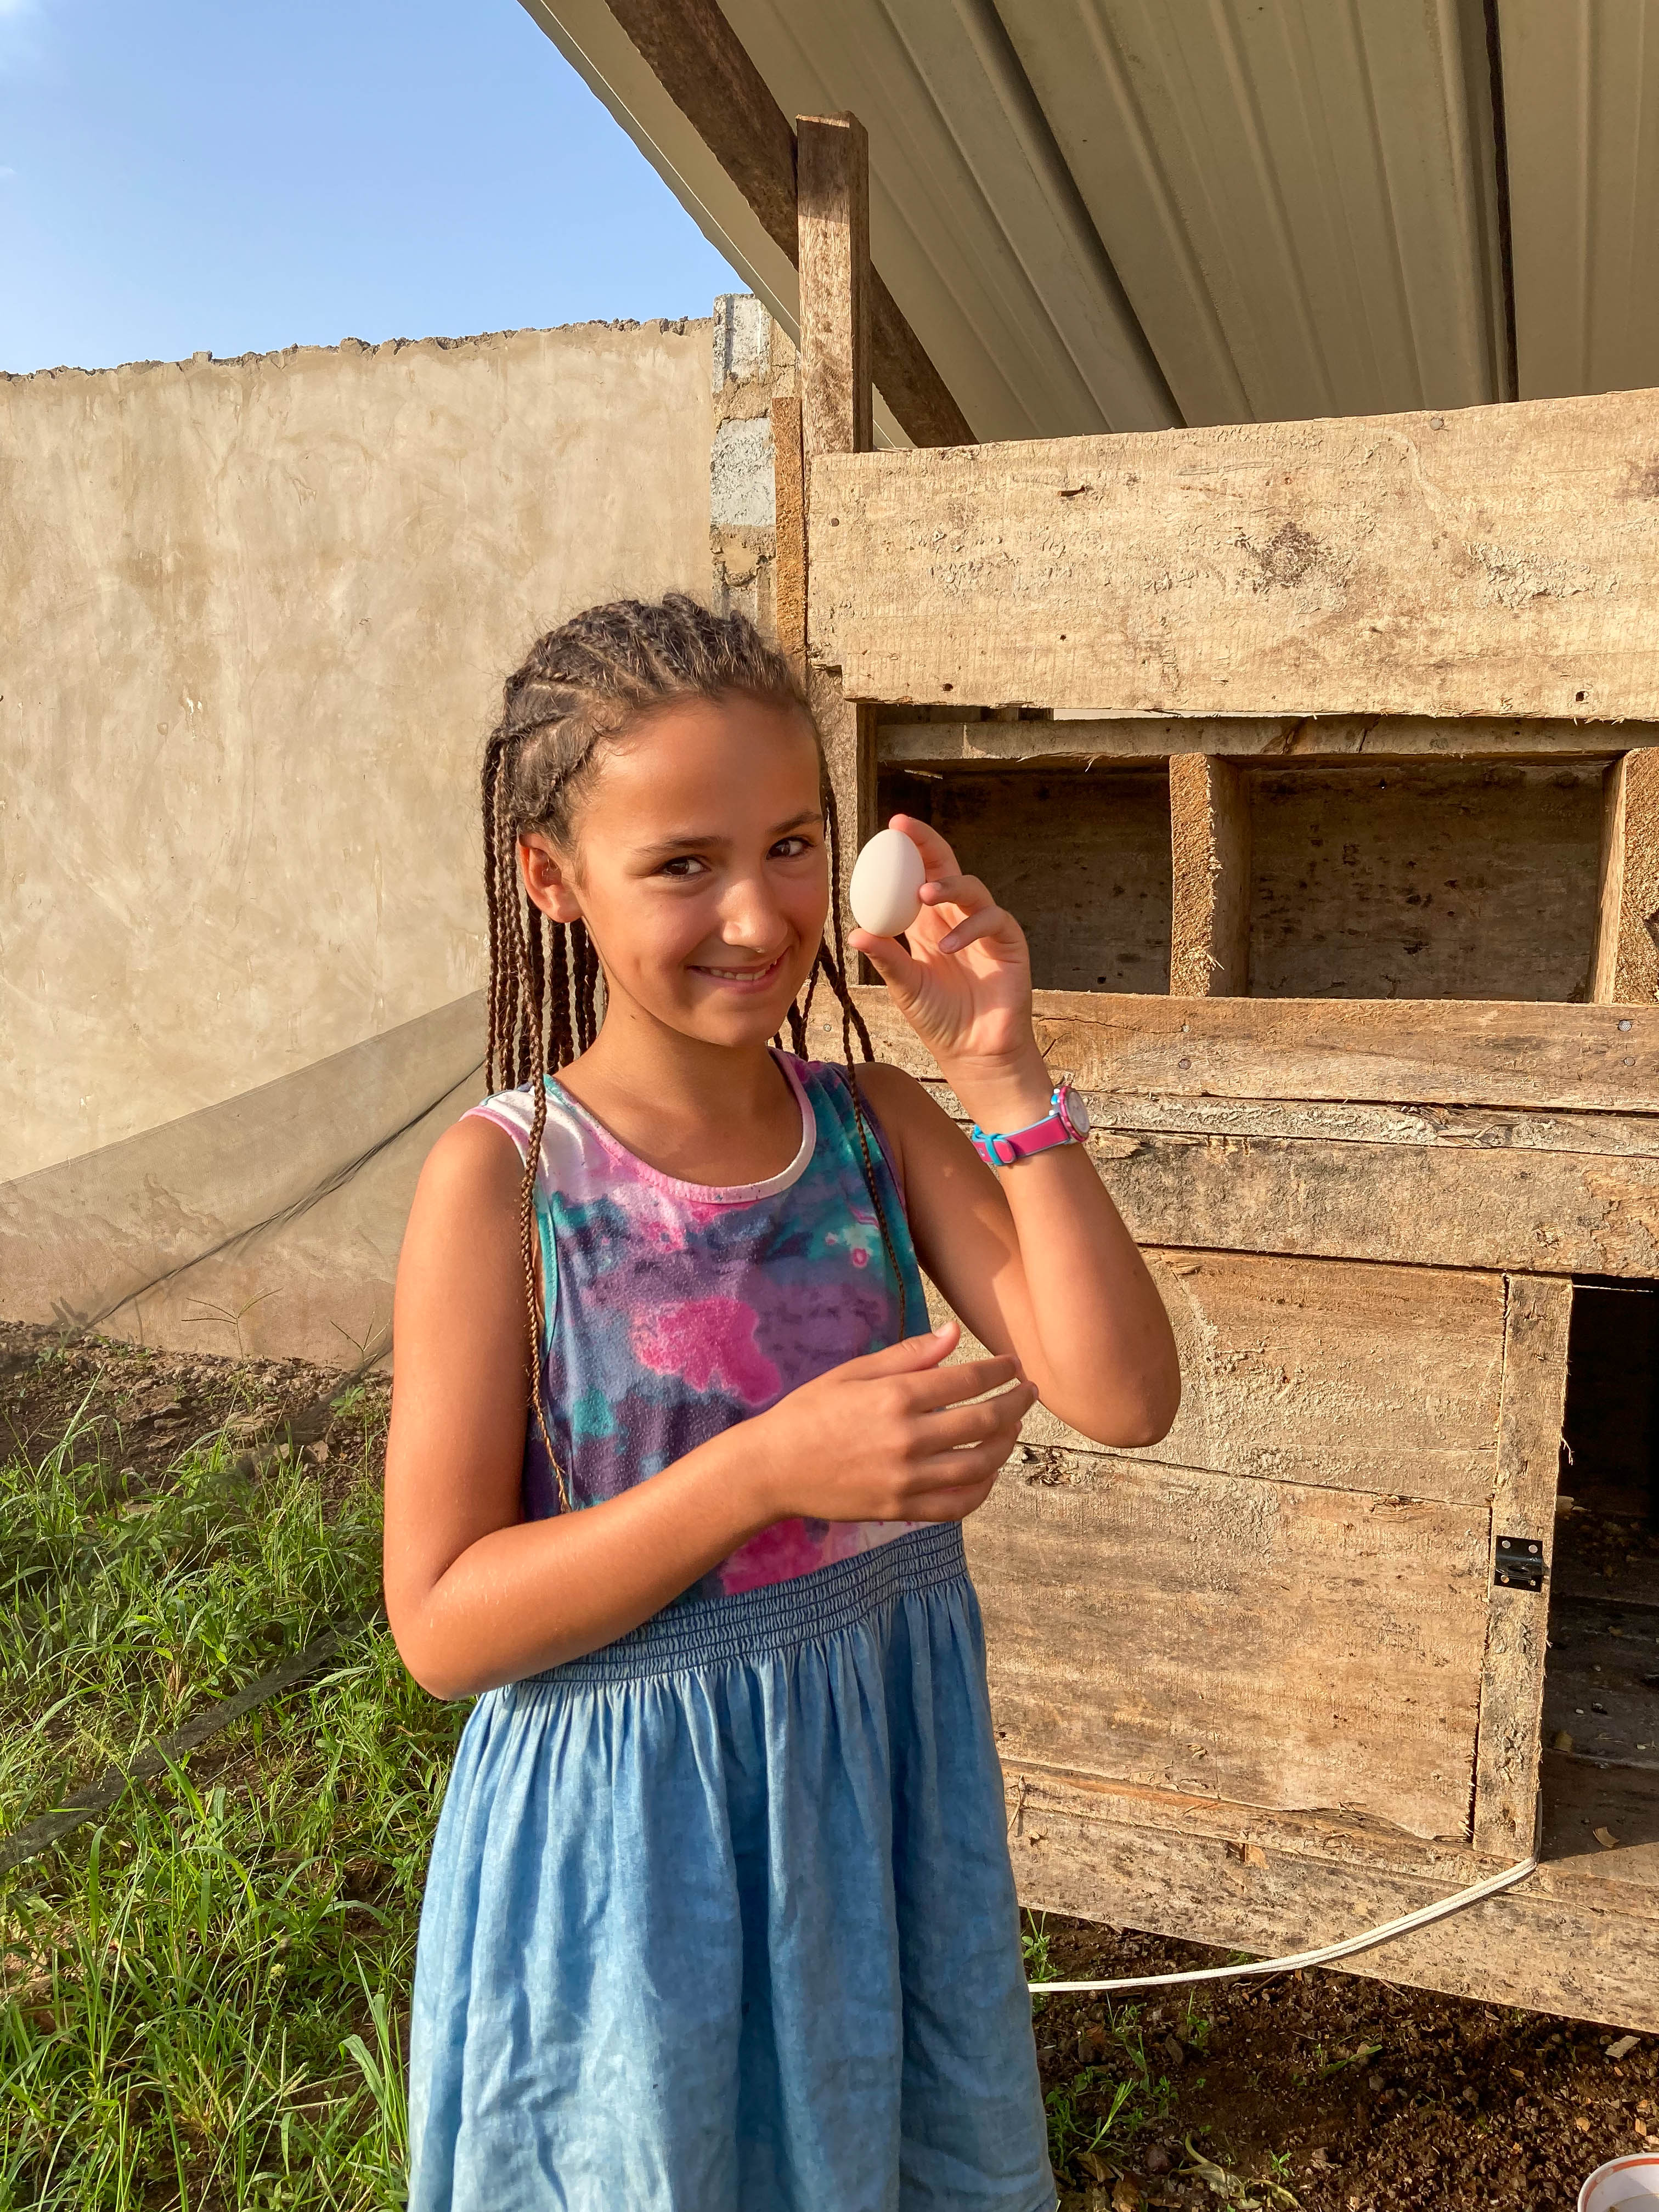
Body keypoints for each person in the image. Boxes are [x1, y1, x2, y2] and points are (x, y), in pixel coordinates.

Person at [383, 593, 1181, 2212]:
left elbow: (1123, 1394)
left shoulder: (877, 1129)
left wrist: (1006, 1079)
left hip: (871, 1809)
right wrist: (766, 1470)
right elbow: (445, 1624)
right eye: (683, 863)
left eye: (794, 845)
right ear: (552, 879)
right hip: (633, 1862)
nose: (758, 915)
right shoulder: (505, 1186)